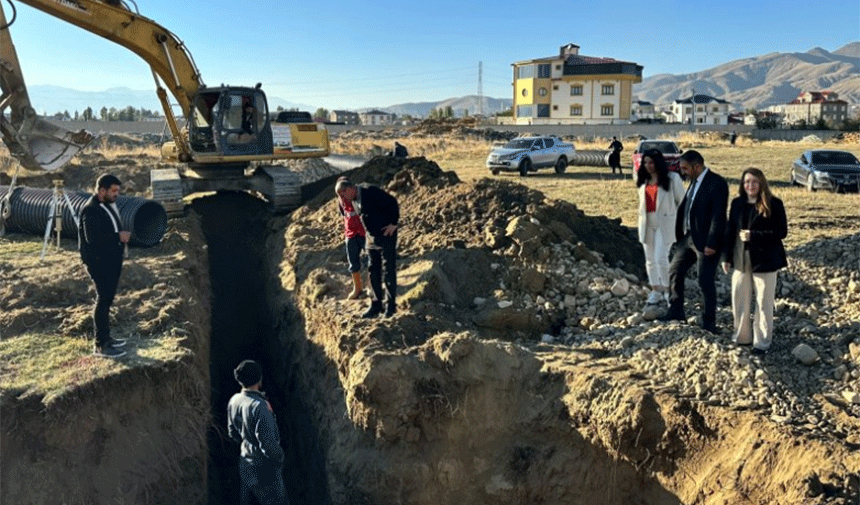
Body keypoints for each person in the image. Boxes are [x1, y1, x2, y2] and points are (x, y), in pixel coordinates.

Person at [658, 150, 729, 334]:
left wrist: (712, 243)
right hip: (688, 238)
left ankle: (709, 323)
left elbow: (718, 216)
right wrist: (679, 236)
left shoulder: (717, 183)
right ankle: (676, 311)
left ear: (697, 166)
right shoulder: (693, 182)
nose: (683, 172)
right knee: (674, 270)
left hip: (707, 242)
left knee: (704, 280)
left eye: (685, 168)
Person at [721, 168, 787, 355]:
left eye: (754, 182)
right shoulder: (737, 204)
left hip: (766, 261)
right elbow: (730, 232)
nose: (750, 185)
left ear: (762, 183)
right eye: (747, 182)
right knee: (739, 299)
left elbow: (781, 232)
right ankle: (742, 338)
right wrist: (726, 257)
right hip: (741, 259)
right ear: (743, 185)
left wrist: (754, 236)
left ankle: (762, 343)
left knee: (763, 303)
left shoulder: (774, 204)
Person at [78, 174, 130, 358]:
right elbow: (93, 239)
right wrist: (118, 237)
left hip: (109, 261)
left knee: (107, 300)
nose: (117, 194)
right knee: (103, 299)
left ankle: (107, 338)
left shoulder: (104, 206)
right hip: (98, 263)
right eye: (113, 191)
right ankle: (101, 345)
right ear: (102, 191)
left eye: (118, 191)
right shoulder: (91, 210)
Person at [335, 179, 399, 318]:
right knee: (373, 270)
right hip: (371, 237)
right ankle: (376, 305)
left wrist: (393, 223)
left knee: (388, 270)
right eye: (340, 196)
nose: (342, 198)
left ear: (351, 188)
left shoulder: (370, 191)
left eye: (343, 194)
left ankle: (390, 306)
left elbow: (392, 202)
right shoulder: (352, 199)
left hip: (386, 234)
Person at [227, 360, 288, 505]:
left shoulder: (234, 401)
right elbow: (268, 445)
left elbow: (232, 433)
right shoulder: (259, 407)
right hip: (264, 472)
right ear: (259, 378)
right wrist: (280, 458)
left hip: (245, 465)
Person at [635, 149, 686, 310]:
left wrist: (682, 225)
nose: (649, 166)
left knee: (660, 258)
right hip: (647, 221)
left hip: (666, 222)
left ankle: (668, 291)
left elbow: (682, 202)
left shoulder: (672, 178)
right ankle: (655, 290)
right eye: (645, 162)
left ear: (658, 163)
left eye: (652, 162)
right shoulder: (642, 179)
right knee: (649, 260)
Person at [336, 176, 367, 299]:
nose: (342, 197)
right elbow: (344, 214)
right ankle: (357, 288)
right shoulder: (341, 200)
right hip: (350, 233)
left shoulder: (360, 196)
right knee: (353, 262)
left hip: (364, 232)